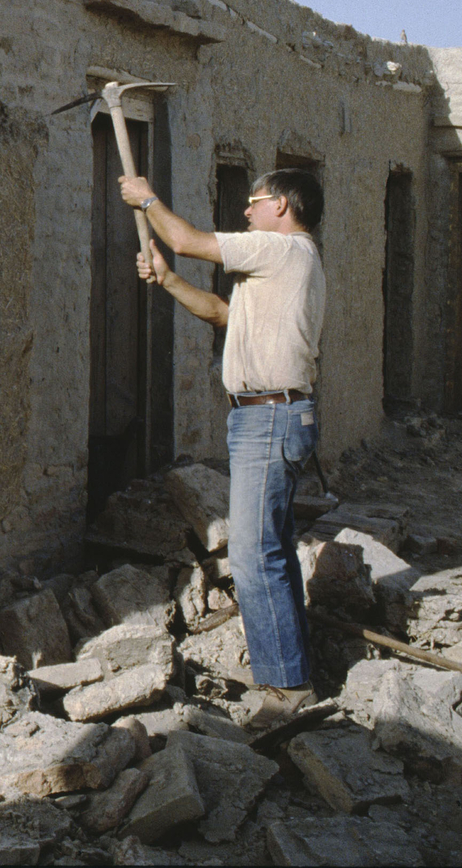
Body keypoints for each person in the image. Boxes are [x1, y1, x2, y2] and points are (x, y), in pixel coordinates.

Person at [117, 168, 326, 728]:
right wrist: (167, 280)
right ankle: (295, 669)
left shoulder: (281, 249)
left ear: (281, 205)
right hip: (269, 415)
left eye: (254, 202)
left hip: (271, 417)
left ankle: (285, 689)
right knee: (272, 548)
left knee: (255, 556)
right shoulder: (284, 266)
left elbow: (187, 240)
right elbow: (221, 315)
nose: (247, 212)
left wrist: (147, 198)